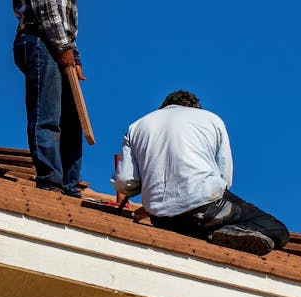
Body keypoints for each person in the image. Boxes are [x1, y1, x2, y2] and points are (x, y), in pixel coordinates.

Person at [112, 91, 290, 256]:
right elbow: (225, 177)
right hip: (205, 207)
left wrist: (153, 198)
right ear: (194, 108)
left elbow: (124, 182)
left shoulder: (136, 126)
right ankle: (223, 232)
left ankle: (215, 232)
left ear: (164, 107)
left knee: (191, 227)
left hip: (161, 219)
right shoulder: (211, 119)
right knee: (277, 231)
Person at [12, 0, 84, 196]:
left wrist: (74, 57)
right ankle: (51, 182)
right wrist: (64, 48)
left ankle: (70, 184)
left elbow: (67, 21)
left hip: (57, 44)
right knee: (48, 114)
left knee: (72, 119)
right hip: (41, 41)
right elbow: (46, 10)